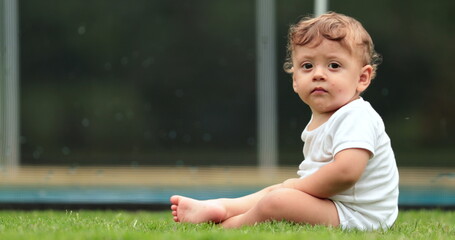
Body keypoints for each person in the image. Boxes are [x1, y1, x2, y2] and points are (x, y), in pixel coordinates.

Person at [170, 12, 399, 230]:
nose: (318, 74)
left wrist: (296, 187)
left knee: (280, 199)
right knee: (277, 191)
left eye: (334, 65)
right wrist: (294, 187)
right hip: (337, 205)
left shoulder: (356, 116)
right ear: (295, 81)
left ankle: (229, 226)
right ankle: (220, 206)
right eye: (307, 66)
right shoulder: (326, 118)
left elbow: (346, 172)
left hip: (359, 216)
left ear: (362, 78)